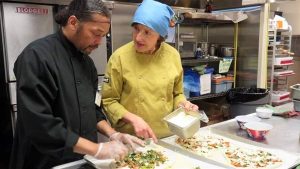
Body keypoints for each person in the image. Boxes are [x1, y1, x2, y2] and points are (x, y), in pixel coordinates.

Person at [10, 0, 144, 169]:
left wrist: (113, 134)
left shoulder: (88, 65)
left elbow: (91, 109)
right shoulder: (37, 56)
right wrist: (97, 149)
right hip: (45, 162)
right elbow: (39, 124)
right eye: (96, 33)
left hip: (81, 161)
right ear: (73, 22)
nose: (99, 42)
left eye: (103, 36)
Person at [101, 0, 198, 142]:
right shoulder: (119, 58)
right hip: (132, 140)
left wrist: (183, 104)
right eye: (136, 29)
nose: (138, 37)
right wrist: (133, 119)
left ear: (160, 36)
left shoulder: (173, 55)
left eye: (147, 32)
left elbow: (177, 94)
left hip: (168, 136)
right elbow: (109, 101)